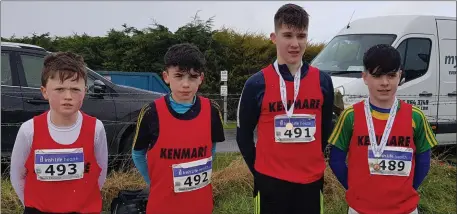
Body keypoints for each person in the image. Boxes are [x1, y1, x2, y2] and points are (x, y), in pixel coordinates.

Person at [236, 3, 334, 214]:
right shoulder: (256, 84)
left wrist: (310, 161)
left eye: (301, 36)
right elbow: (243, 135)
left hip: (310, 182)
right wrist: (260, 171)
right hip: (270, 183)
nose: (295, 43)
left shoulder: (323, 81)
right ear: (274, 37)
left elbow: (325, 129)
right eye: (287, 35)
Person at [328, 44, 438, 214]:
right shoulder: (350, 116)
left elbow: (424, 163)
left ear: (400, 76)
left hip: (404, 209)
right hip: (361, 209)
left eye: (391, 75)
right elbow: (335, 161)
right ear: (365, 77)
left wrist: (406, 191)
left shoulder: (416, 117)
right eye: (377, 75)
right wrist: (356, 191)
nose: (385, 83)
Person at [131, 43, 225, 214]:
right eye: (179, 76)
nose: (186, 84)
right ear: (166, 77)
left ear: (201, 78)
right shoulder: (151, 112)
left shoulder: (212, 110)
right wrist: (153, 182)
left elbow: (211, 149)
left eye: (192, 77)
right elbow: (137, 153)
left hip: (200, 204)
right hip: (163, 205)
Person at [10, 52, 108, 213]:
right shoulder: (29, 130)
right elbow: (17, 176)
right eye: (60, 89)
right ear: (44, 91)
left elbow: (100, 174)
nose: (68, 96)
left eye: (75, 89)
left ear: (84, 91)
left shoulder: (96, 129)